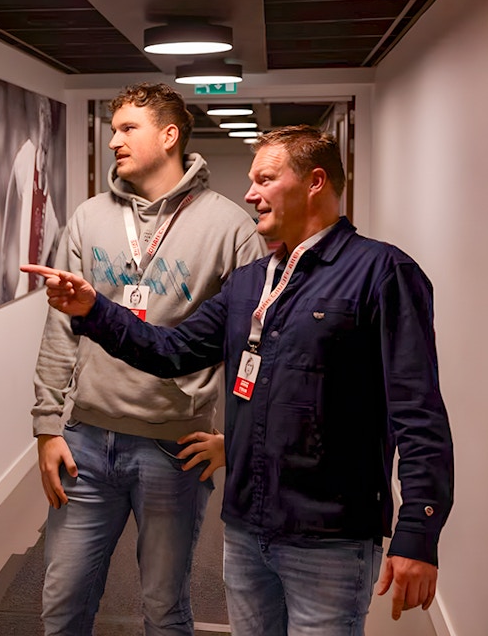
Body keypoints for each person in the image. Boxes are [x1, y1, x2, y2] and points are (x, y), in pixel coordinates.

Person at [24, 125, 455, 635]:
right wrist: (95, 310)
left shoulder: (381, 272)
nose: (250, 193)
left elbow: (417, 412)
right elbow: (172, 351)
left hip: (329, 537)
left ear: (316, 182)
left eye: (266, 179)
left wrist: (419, 532)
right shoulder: (253, 281)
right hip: (247, 526)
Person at [31, 83, 267, 636]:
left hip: (174, 448)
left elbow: (253, 346)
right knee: (61, 602)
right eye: (113, 129)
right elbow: (60, 328)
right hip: (85, 439)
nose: (113, 140)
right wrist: (46, 426)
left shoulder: (230, 227)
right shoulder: (89, 219)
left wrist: (233, 438)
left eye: (127, 128)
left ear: (169, 135)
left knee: (164, 609)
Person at [0, 96, 61, 300]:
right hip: (21, 287)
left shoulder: (47, 197)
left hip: (34, 288)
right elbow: (9, 212)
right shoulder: (25, 159)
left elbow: (51, 231)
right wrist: (2, 259)